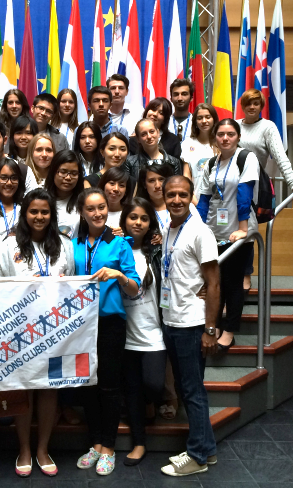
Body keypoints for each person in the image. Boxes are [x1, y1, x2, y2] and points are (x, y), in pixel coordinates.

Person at [0, 189, 76, 477]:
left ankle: (42, 449)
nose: (39, 217)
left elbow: (73, 282)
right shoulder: (9, 245)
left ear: (52, 215)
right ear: (24, 214)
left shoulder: (64, 245)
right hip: (19, 330)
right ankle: (24, 449)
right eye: (33, 211)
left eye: (45, 212)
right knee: (25, 388)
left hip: (55, 329)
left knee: (49, 389)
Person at [73, 188, 140, 476]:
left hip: (110, 322)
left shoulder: (120, 243)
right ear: (82, 212)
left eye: (102, 207)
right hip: (79, 324)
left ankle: (109, 447)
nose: (98, 213)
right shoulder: (72, 243)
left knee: (110, 385)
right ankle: (95, 443)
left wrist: (119, 275)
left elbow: (136, 287)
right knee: (88, 384)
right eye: (91, 209)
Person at [159, 175, 220, 477]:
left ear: (192, 196)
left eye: (183, 194)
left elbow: (213, 282)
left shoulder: (200, 231)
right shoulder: (170, 229)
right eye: (171, 195)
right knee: (187, 389)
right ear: (164, 197)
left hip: (192, 324)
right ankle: (207, 450)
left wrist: (210, 329)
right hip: (172, 318)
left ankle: (196, 456)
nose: (177, 200)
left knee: (193, 391)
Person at [196, 119, 258, 350]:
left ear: (238, 136)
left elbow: (244, 192)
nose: (225, 138)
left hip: (238, 232)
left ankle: (230, 330)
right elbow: (204, 199)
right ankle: (218, 325)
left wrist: (242, 229)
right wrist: (201, 229)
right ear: (215, 137)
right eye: (220, 134)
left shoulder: (246, 158)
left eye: (230, 134)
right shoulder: (212, 163)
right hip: (215, 230)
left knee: (233, 283)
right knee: (216, 281)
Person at [119, 197, 167, 466]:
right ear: (124, 220)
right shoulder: (115, 248)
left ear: (151, 224)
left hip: (154, 332)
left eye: (144, 218)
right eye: (133, 217)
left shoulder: (158, 251)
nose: (137, 222)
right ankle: (139, 443)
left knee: (153, 385)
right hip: (124, 334)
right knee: (133, 391)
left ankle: (150, 406)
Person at [238, 88, 293, 195]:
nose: (252, 107)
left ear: (261, 107)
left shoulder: (268, 127)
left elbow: (280, 156)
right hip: (231, 183)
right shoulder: (234, 126)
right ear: (243, 106)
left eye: (256, 104)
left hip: (255, 184)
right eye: (248, 104)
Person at [44, 150, 84, 239]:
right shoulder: (41, 199)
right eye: (63, 172)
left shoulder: (84, 200)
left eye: (74, 173)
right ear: (53, 172)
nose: (68, 177)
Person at [136, 162, 176, 235]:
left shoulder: (183, 206)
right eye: (151, 181)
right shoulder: (137, 210)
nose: (157, 186)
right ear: (144, 184)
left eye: (161, 179)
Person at [181, 103, 219, 179]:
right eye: (200, 118)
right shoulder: (187, 143)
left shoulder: (221, 142)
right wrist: (190, 191)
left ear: (214, 119)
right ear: (195, 122)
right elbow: (186, 174)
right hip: (195, 190)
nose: (204, 121)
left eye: (208, 117)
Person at [99, 167, 132, 232]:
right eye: (112, 183)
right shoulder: (94, 212)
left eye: (121, 185)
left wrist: (124, 236)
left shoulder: (131, 213)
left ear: (126, 191)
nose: (116, 189)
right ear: (103, 185)